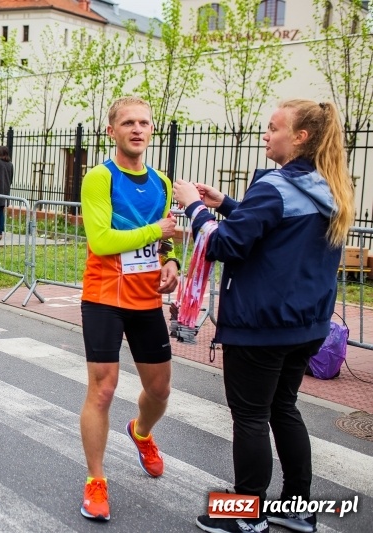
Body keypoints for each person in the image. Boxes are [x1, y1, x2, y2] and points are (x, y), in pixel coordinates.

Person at [173, 100, 354, 533]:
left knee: (251, 418)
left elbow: (226, 246)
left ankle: (246, 515)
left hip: (260, 325)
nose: (265, 135)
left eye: (273, 129)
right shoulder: (328, 185)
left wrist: (194, 208)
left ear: (300, 137)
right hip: (306, 326)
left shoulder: (275, 186)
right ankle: (297, 507)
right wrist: (230, 204)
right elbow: (277, 232)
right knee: (283, 408)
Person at [78, 96, 179, 522]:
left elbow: (166, 237)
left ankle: (141, 432)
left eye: (144, 123)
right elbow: (101, 241)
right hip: (104, 295)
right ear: (112, 131)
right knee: (102, 389)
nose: (137, 129)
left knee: (159, 392)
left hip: (145, 298)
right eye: (128, 123)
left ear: (151, 130)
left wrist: (172, 259)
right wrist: (157, 231)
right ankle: (96, 480)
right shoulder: (99, 178)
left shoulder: (162, 181)